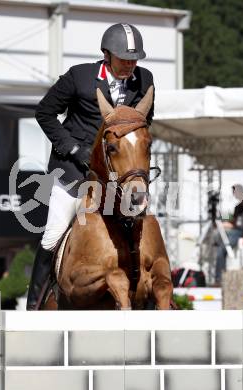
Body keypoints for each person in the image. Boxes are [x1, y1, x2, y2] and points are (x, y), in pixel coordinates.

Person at [26, 23, 155, 310]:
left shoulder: (144, 81)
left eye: (134, 60)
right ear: (106, 55)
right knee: (54, 233)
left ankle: (149, 298)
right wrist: (73, 148)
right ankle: (33, 306)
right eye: (124, 59)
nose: (130, 66)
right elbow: (44, 113)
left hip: (116, 182)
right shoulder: (79, 77)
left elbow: (143, 127)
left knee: (142, 234)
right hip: (73, 173)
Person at [215, 184, 243, 284]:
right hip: (238, 231)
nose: (233, 194)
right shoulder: (237, 207)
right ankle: (219, 278)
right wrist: (221, 220)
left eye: (234, 192)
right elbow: (234, 222)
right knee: (223, 248)